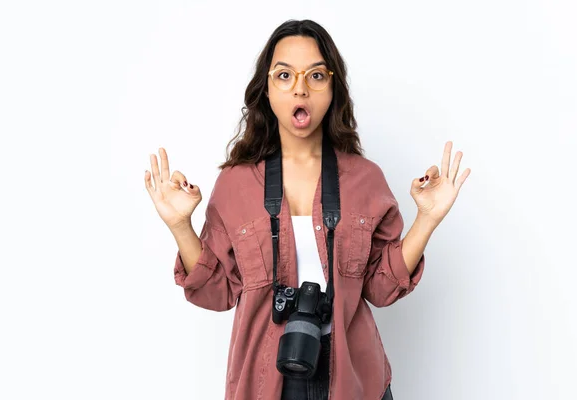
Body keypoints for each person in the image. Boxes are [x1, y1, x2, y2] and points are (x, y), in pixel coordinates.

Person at [144, 19, 470, 400]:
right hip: (264, 381)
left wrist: (427, 220)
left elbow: (381, 289)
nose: (300, 87)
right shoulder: (236, 184)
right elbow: (216, 293)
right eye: (284, 75)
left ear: (333, 87)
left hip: (353, 380)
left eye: (316, 75)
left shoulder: (365, 179)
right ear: (266, 89)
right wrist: (180, 226)